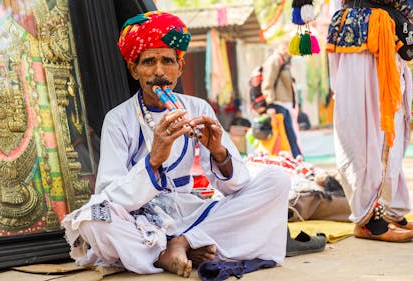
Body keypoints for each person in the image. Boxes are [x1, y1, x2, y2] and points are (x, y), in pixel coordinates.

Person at [61, 11, 291, 278]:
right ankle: (164, 253)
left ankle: (184, 243)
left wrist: (218, 152)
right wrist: (153, 160)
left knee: (277, 180)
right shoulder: (118, 119)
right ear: (134, 70)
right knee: (92, 220)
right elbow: (108, 196)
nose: (159, 72)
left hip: (190, 212)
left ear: (180, 68)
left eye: (168, 61)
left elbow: (235, 187)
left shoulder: (197, 108)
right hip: (141, 222)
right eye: (148, 62)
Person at [327, 0, 413, 242]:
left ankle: (389, 210)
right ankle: (369, 219)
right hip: (364, 32)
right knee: (365, 127)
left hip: (389, 31)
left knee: (393, 124)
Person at [261, 42, 303, 158]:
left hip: (284, 103)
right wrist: (270, 104)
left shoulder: (285, 61)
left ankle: (297, 158)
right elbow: (268, 82)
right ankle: (296, 157)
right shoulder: (275, 60)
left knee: (290, 134)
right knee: (285, 135)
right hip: (277, 103)